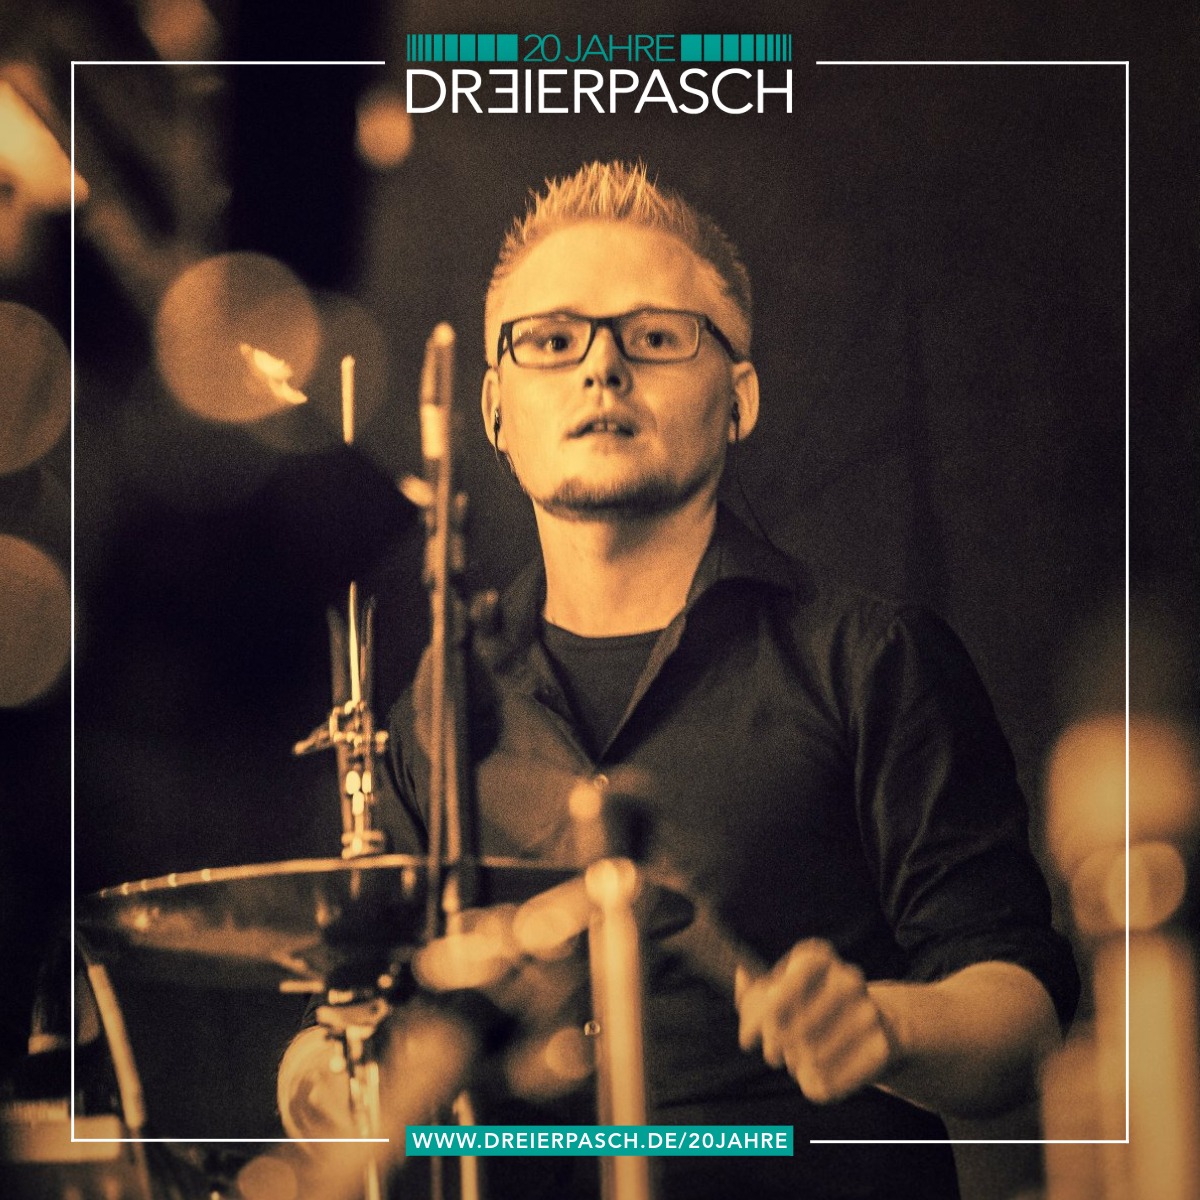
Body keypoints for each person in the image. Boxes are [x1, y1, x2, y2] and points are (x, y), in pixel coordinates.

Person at [282, 160, 1079, 1200]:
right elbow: (367, 1013)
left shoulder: (873, 658)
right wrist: (327, 1074)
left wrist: (886, 1023)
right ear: (494, 409)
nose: (602, 369)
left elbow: (1023, 1014)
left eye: (656, 337)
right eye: (552, 341)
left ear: (738, 398)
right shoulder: (439, 703)